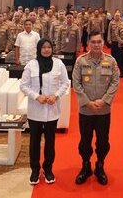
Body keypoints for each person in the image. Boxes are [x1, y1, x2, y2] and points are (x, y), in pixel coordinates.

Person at [20, 39, 70, 185]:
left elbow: (65, 83)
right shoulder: (31, 65)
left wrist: (56, 95)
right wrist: (37, 96)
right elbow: (23, 85)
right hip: (36, 110)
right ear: (39, 49)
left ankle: (48, 169)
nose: (47, 50)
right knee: (34, 141)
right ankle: (35, 170)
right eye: (44, 47)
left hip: (52, 110)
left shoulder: (58, 64)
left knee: (50, 142)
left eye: (49, 47)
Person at [72, 31, 120, 185]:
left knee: (103, 141)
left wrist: (104, 101)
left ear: (103, 42)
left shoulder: (111, 61)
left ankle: (100, 165)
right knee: (85, 140)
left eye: (99, 42)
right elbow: (76, 83)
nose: (96, 45)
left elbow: (115, 82)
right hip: (86, 110)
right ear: (89, 43)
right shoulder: (81, 61)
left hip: (103, 110)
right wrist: (87, 102)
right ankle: (85, 165)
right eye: (93, 42)